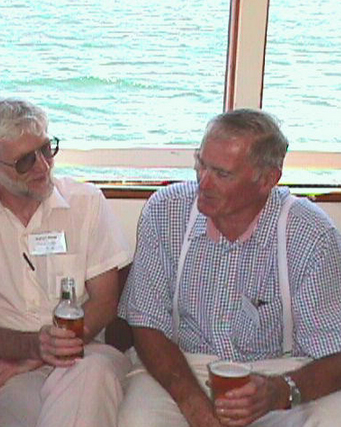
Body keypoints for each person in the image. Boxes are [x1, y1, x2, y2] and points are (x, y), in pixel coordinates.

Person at [117, 108, 341, 427]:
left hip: (279, 371)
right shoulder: (165, 211)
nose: (203, 183)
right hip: (182, 366)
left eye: (222, 174)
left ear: (267, 180)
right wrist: (193, 403)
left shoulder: (310, 233)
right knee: (139, 421)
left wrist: (280, 391)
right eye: (201, 164)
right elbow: (146, 324)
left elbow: (334, 352)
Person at [0, 98, 132, 427]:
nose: (43, 167)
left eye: (46, 149)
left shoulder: (86, 203)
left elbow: (105, 302)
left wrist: (40, 355)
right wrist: (32, 349)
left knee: (92, 374)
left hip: (85, 355)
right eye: (25, 161)